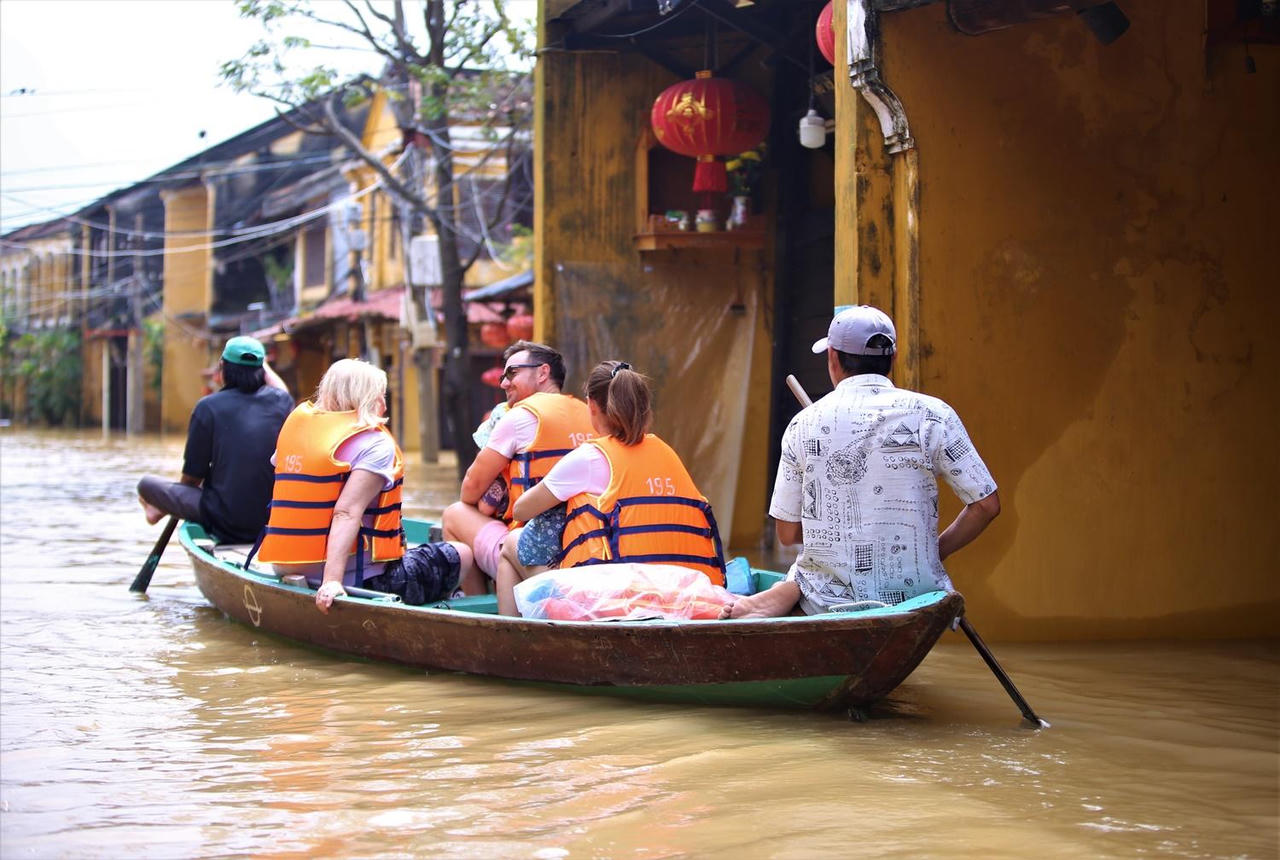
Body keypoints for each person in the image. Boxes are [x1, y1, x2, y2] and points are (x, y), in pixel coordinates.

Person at [721, 305, 1000, 619]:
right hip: (918, 594)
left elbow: (786, 533)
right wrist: (935, 552)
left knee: (802, 578)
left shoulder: (803, 425)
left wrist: (839, 528)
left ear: (833, 359)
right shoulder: (935, 415)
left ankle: (787, 592)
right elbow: (986, 505)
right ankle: (789, 590)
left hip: (827, 598)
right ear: (892, 360)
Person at [252, 358, 482, 613]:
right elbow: (346, 512)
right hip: (359, 578)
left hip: (284, 564)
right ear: (366, 397)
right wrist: (332, 582)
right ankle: (470, 609)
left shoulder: (297, 429)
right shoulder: (373, 443)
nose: (383, 403)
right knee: (461, 553)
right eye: (379, 394)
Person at [499, 360, 726, 616]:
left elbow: (521, 510)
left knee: (510, 544)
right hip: (687, 590)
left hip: (617, 598)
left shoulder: (589, 457)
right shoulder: (667, 453)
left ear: (592, 405)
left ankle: (510, 642)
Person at [441, 340, 594, 586]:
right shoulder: (590, 414)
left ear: (543, 372)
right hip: (587, 545)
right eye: (503, 375)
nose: (504, 383)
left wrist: (492, 502)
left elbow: (470, 487)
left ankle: (480, 609)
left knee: (455, 514)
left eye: (513, 372)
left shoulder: (518, 417)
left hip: (530, 550)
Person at [137, 335, 293, 544]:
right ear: (262, 371)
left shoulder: (207, 407)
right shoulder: (283, 402)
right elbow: (282, 389)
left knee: (146, 485)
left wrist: (179, 500)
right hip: (271, 519)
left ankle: (157, 509)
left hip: (225, 520)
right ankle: (159, 508)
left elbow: (192, 477)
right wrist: (260, 362)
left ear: (222, 368)